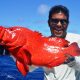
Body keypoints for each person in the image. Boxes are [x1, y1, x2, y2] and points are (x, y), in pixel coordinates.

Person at [43, 5, 80, 80]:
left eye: (63, 21)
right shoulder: (42, 42)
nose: (59, 24)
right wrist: (15, 54)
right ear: (49, 23)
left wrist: (73, 61)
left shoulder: (78, 39)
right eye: (55, 21)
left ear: (67, 24)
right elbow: (30, 67)